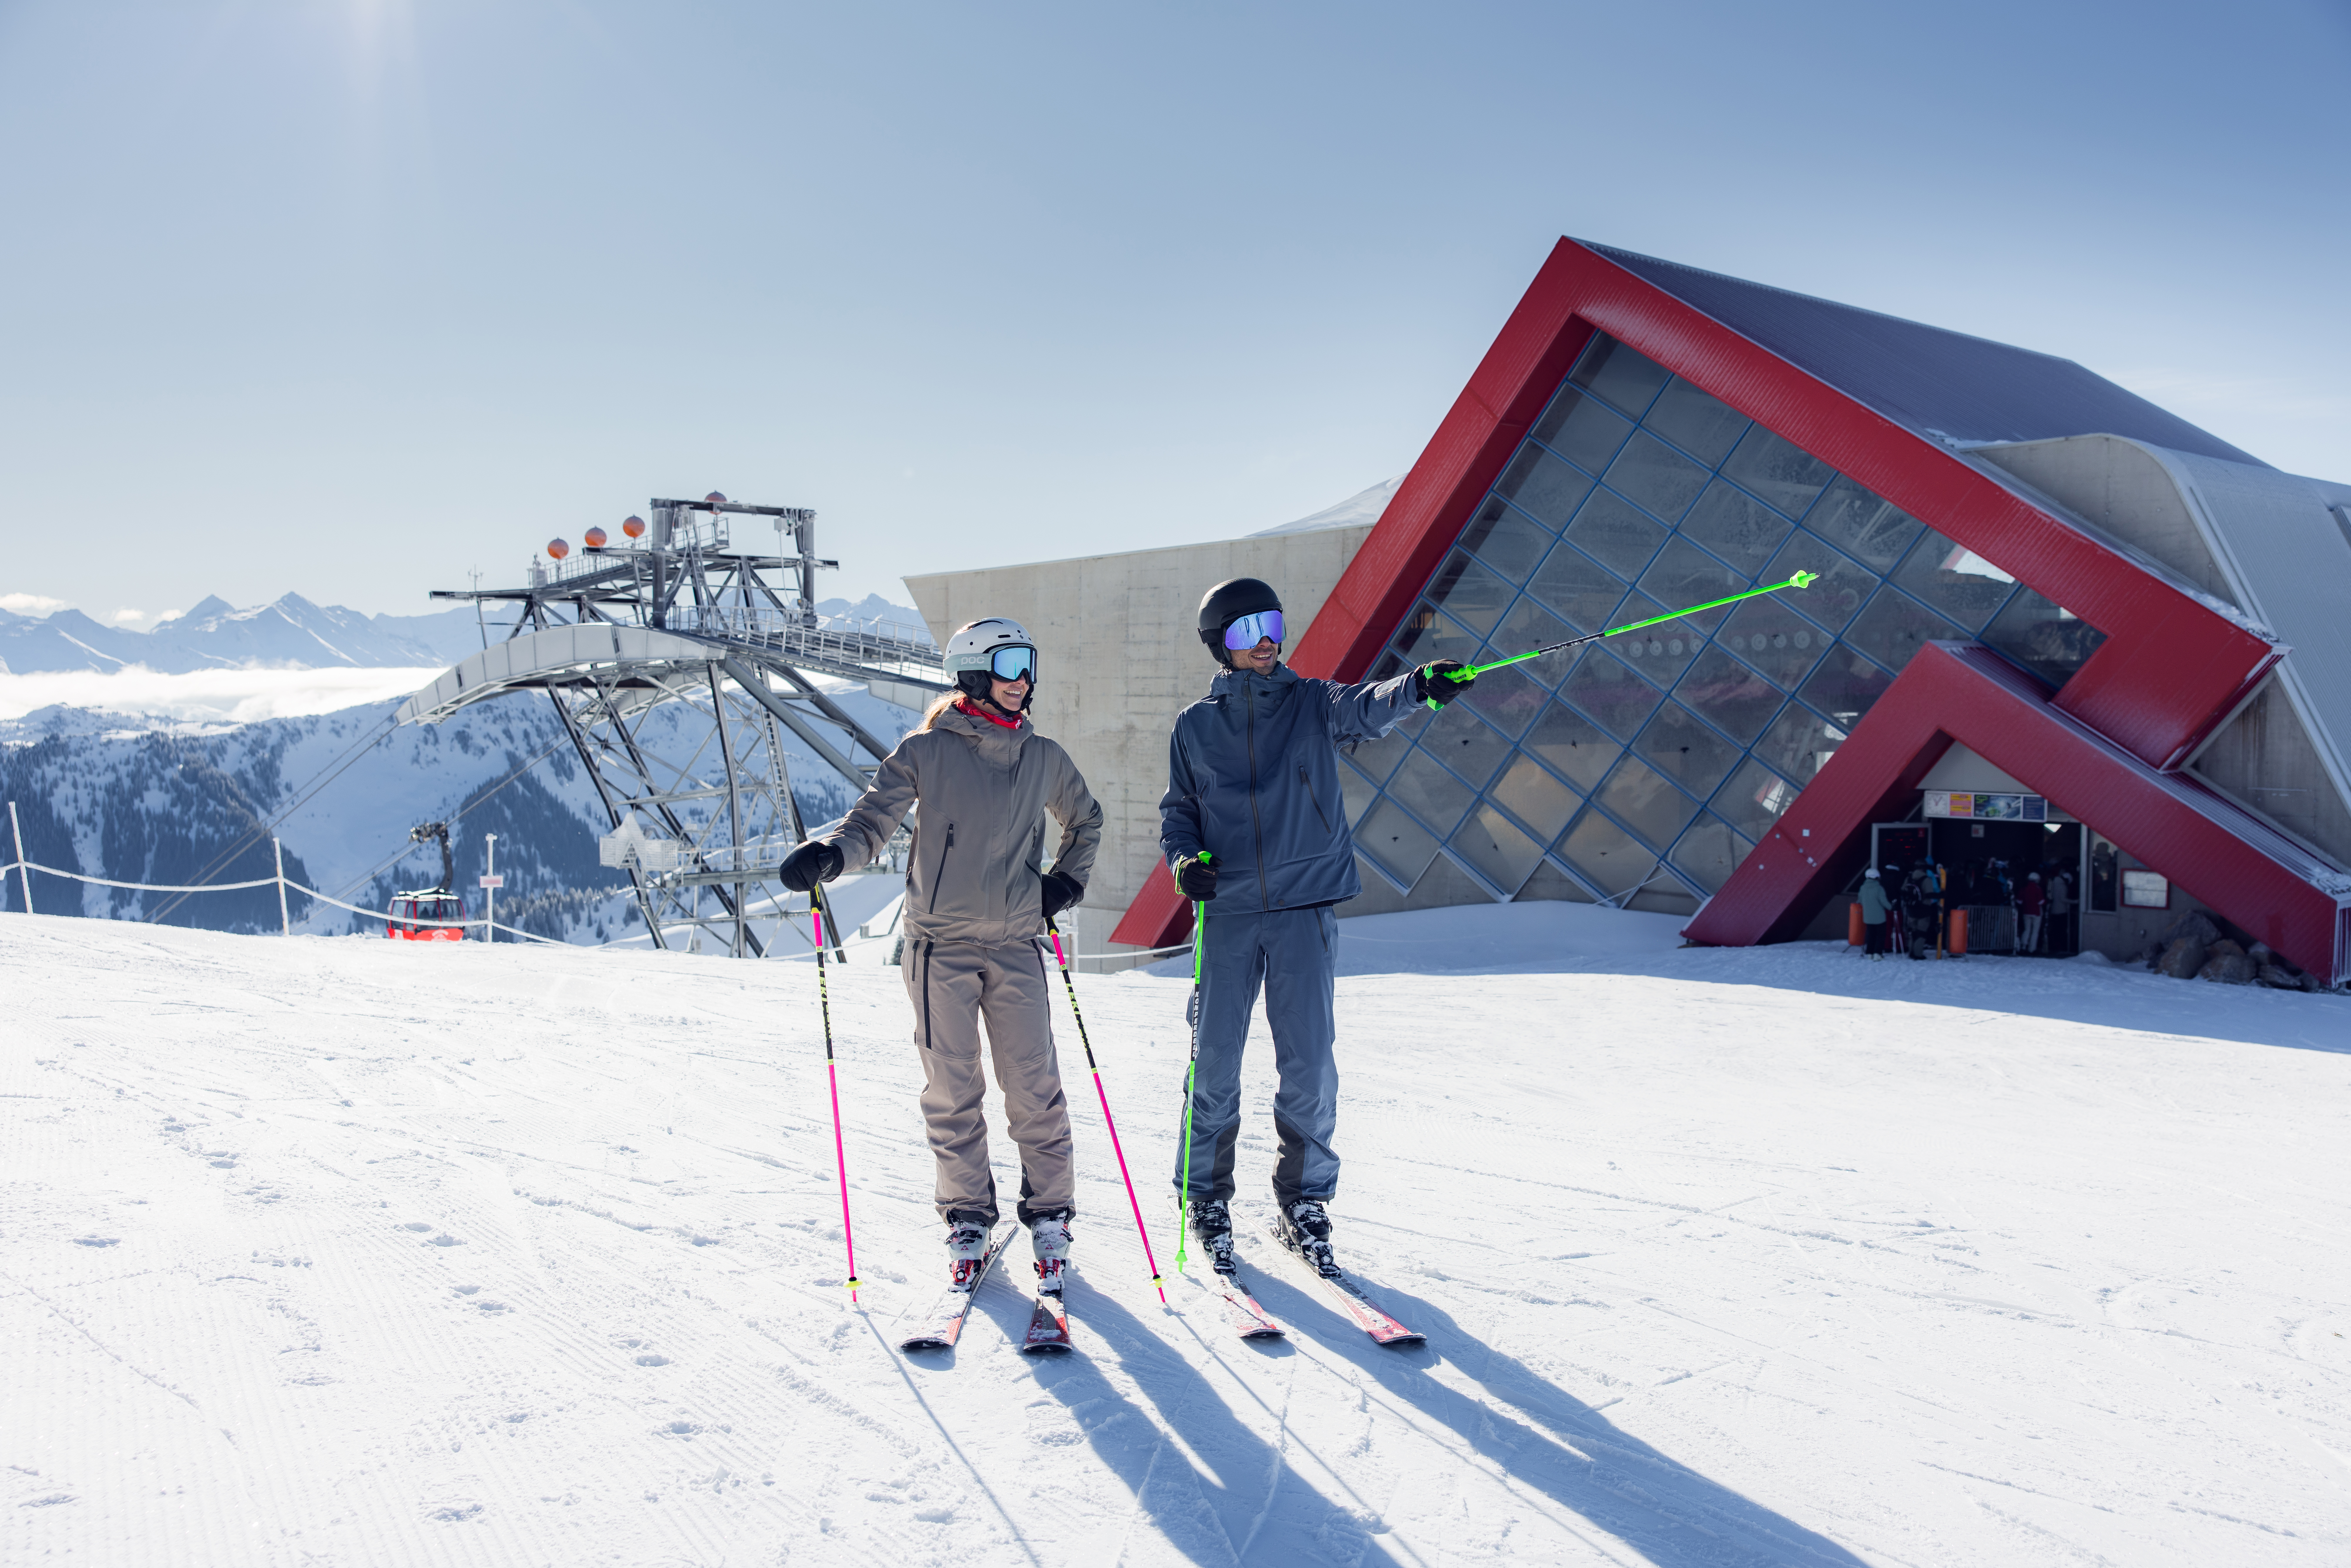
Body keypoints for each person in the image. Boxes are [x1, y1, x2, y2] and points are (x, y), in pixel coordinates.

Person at [778, 617, 1103, 1297]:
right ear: (973, 671)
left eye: (1028, 663)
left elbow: (1086, 819)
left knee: (1033, 1087)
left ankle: (1049, 1215)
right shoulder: (926, 750)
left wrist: (1064, 881)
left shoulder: (1039, 755)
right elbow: (873, 820)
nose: (1023, 679)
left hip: (1015, 942)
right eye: (1010, 663)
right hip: (938, 949)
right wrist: (832, 856)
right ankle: (966, 1217)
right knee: (953, 1090)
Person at [1161, 577, 1468, 1279]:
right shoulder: (1193, 726)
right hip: (1230, 914)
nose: (1265, 639)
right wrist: (1185, 862)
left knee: (1307, 1069)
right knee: (1212, 1066)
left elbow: (1367, 707)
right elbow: (1177, 814)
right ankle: (1205, 1196)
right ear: (1219, 644)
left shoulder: (1309, 703)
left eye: (1271, 622)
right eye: (1245, 630)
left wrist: (1418, 686)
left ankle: (1302, 1202)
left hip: (1303, 908)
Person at [1903, 860, 1942, 959]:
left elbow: (1903, 891)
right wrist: (1942, 895)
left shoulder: (1909, 878)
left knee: (1913, 931)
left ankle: (1911, 952)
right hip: (1924, 910)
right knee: (1922, 932)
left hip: (1911, 909)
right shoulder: (1926, 880)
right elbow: (1929, 894)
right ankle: (1918, 954)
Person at [1858, 867, 1892, 960]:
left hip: (1868, 917)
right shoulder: (1879, 889)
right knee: (1881, 936)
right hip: (1880, 917)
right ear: (1877, 878)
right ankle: (1878, 953)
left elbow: (1860, 900)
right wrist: (1892, 907)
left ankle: (1870, 953)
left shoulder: (1863, 888)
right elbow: (1884, 902)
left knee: (1871, 935)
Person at [2046, 866, 2074, 955]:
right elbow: (2063, 899)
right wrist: (2075, 902)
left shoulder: (2053, 883)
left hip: (2053, 910)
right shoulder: (2063, 886)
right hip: (2061, 911)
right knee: (2060, 931)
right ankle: (2059, 947)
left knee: (2054, 930)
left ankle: (2052, 947)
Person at [2019, 871, 2046, 955]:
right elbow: (2041, 902)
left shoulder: (2024, 889)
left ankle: (2023, 947)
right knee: (2035, 932)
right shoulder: (2038, 889)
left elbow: (2019, 901)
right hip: (2037, 913)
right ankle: (2032, 949)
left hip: (2026, 912)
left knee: (2027, 930)